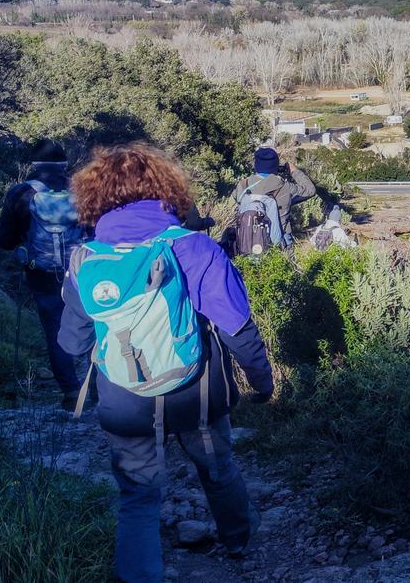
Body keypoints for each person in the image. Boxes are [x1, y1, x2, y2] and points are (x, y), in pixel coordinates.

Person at [57, 144, 274, 583]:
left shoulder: (86, 258)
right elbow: (237, 327)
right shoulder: (194, 247)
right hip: (195, 394)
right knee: (217, 467)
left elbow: (73, 344)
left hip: (123, 400)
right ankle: (238, 542)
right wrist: (261, 382)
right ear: (167, 189)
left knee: (137, 495)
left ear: (94, 197)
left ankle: (140, 575)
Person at [0, 138, 88, 410]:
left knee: (55, 330)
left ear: (34, 164)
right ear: (65, 164)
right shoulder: (84, 191)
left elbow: (4, 240)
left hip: (42, 273)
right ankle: (98, 388)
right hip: (85, 270)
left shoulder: (20, 193)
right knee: (97, 325)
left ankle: (72, 394)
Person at [229, 147, 315, 244]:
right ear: (275, 166)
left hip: (248, 239)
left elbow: (235, 204)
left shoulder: (243, 185)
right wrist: (294, 171)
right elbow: (310, 190)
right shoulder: (285, 187)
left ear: (256, 165)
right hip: (280, 240)